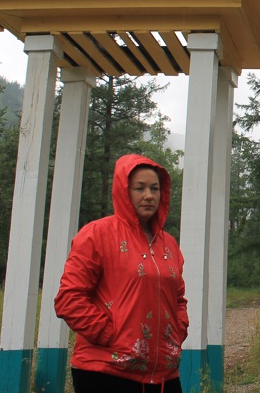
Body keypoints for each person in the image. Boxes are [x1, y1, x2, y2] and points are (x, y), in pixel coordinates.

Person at [55, 154, 188, 393]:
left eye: (154, 188)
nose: (149, 195)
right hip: (106, 371)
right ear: (123, 191)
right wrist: (111, 335)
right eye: (139, 188)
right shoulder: (97, 234)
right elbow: (69, 300)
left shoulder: (168, 244)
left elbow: (178, 299)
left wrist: (178, 331)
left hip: (164, 375)